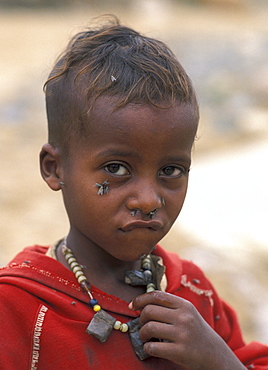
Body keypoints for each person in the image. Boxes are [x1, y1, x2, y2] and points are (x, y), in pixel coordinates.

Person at [0, 15, 267, 370]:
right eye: (116, 169)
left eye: (170, 171)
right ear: (54, 168)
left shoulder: (191, 291)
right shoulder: (16, 309)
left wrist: (218, 360)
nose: (148, 200)